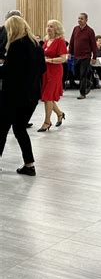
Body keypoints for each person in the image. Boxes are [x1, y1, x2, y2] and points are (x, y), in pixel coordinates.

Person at [0, 16, 45, 176]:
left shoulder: (16, 46)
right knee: (19, 129)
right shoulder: (36, 45)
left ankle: (29, 164)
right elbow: (42, 69)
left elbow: (8, 72)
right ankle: (29, 164)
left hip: (13, 95)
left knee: (2, 128)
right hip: (32, 95)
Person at [38, 19, 67, 132]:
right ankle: (60, 114)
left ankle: (47, 122)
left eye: (51, 26)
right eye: (48, 26)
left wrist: (49, 60)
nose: (49, 28)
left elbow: (63, 58)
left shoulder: (60, 41)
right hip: (45, 71)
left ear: (57, 29)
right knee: (47, 97)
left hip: (55, 72)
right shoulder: (46, 40)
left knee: (48, 96)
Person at [69, 12, 97, 99]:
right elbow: (72, 41)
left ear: (86, 20)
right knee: (76, 74)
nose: (79, 20)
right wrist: (69, 52)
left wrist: (94, 57)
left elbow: (93, 45)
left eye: (81, 18)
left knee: (83, 75)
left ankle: (82, 93)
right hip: (76, 56)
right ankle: (88, 83)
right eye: (78, 18)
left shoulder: (90, 31)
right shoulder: (75, 29)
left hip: (86, 56)